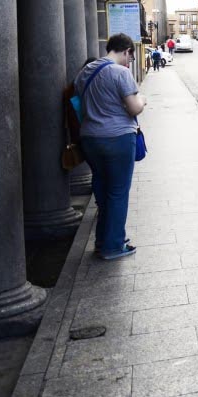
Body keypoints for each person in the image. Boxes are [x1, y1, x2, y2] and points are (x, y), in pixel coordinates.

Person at [74, 33, 146, 260]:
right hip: (117, 138)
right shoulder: (120, 72)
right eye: (130, 57)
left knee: (103, 191)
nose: (129, 63)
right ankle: (113, 246)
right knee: (118, 192)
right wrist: (142, 99)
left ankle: (103, 240)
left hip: (89, 139)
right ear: (126, 51)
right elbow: (134, 108)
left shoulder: (85, 72)